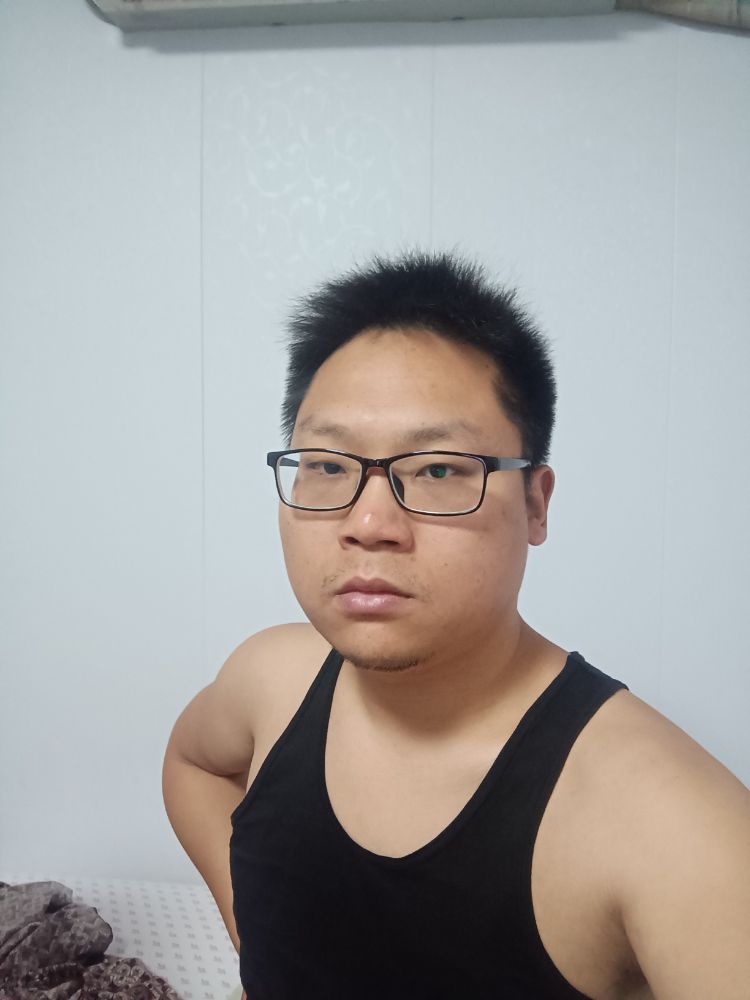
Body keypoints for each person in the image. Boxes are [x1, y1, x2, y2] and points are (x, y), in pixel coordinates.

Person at [162, 250, 750, 1000]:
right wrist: (261, 939)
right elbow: (192, 766)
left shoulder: (674, 826)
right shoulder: (271, 677)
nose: (369, 523)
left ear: (535, 504)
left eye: (438, 469)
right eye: (329, 465)